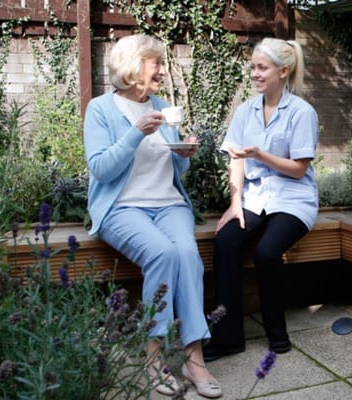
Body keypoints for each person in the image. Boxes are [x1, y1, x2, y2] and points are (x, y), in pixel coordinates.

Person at [82, 33, 221, 398]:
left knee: (188, 254)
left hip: (168, 205)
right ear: (132, 67)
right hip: (122, 208)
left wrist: (183, 154)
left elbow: (170, 167)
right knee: (161, 252)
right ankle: (153, 356)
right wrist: (134, 134)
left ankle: (194, 358)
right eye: (155, 63)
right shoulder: (100, 109)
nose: (162, 69)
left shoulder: (162, 105)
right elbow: (100, 170)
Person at [203, 37, 319, 361]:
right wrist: (235, 203)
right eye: (253, 66)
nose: (254, 73)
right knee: (226, 242)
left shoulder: (302, 113)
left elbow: (298, 170)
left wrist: (262, 155)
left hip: (293, 199)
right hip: (254, 197)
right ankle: (228, 338)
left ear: (283, 71)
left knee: (267, 252)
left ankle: (277, 336)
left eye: (261, 67)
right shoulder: (245, 111)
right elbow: (236, 159)